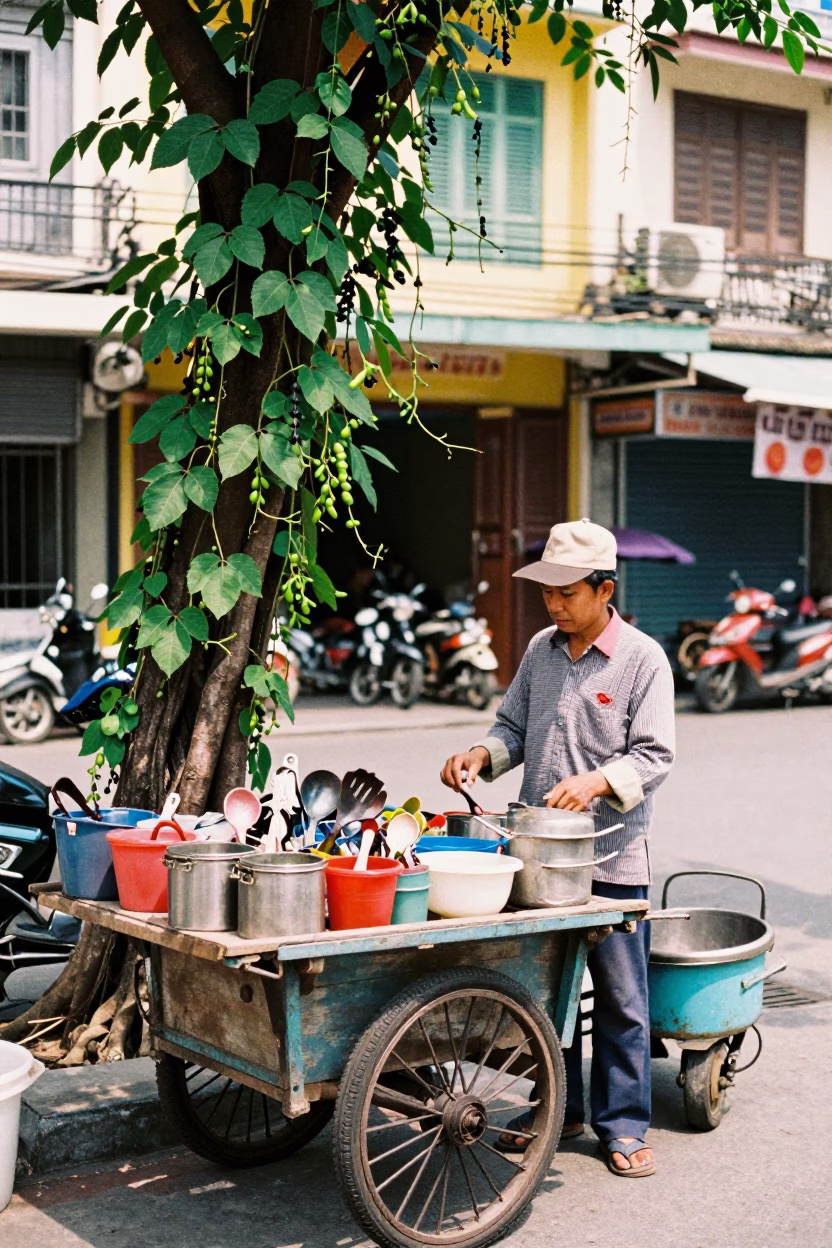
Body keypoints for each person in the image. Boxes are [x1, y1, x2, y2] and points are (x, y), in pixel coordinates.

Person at [440, 518, 675, 1178]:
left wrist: (598, 780)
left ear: (605, 591)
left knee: (623, 1002)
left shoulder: (643, 660)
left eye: (566, 594)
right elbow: (512, 726)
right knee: (549, 997)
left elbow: (657, 755)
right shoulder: (543, 651)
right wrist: (480, 755)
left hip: (611, 858)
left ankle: (624, 1124)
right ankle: (560, 1107)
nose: (552, 605)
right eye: (546, 592)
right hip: (539, 859)